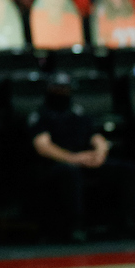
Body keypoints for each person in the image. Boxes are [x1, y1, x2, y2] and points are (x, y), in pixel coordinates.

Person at [32, 74, 135, 240]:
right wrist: (74, 158)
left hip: (86, 161)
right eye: (58, 88)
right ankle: (76, 226)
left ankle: (128, 222)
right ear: (50, 90)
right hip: (58, 164)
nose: (63, 92)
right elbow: (43, 146)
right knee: (70, 173)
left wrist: (99, 155)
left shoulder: (77, 113)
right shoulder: (42, 115)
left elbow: (97, 138)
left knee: (127, 169)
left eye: (65, 88)